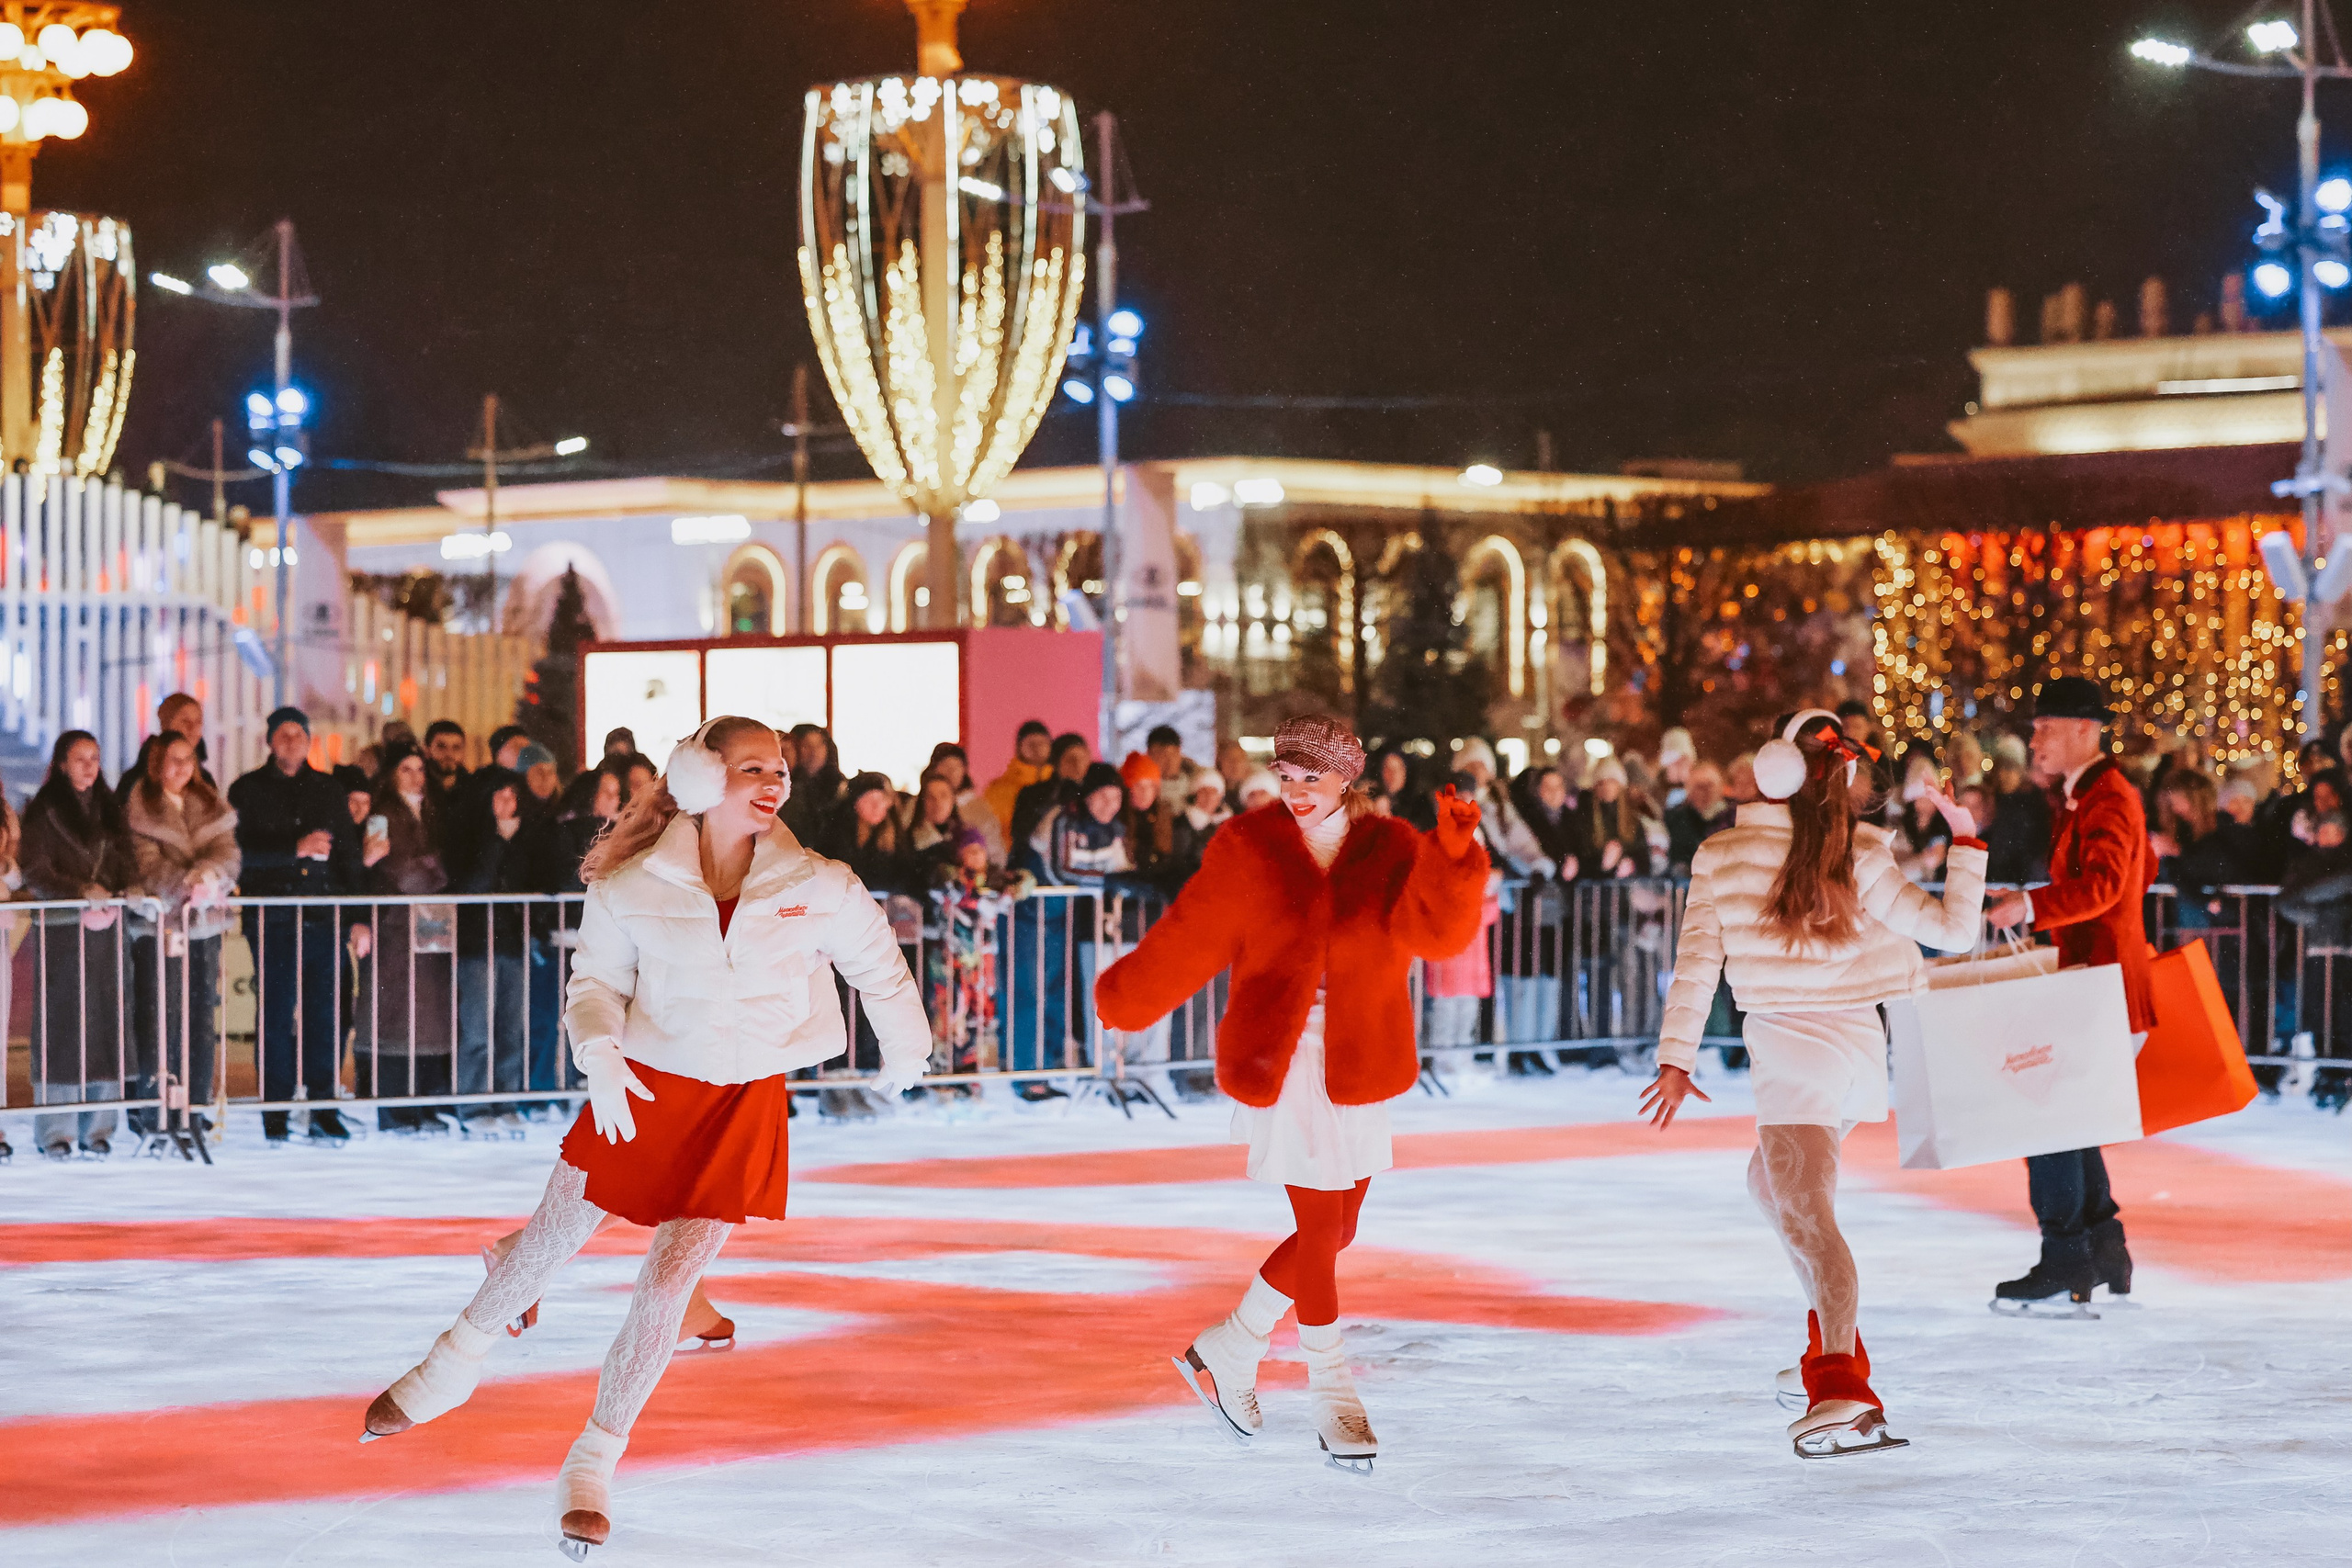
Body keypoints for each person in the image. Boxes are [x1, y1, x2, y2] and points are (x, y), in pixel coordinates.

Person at [361, 716, 931, 1556]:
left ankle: (594, 1457)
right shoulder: (634, 883)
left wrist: (907, 1042)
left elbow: (878, 966)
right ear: (700, 777)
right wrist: (597, 1052)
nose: (771, 782)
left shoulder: (818, 883)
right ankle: (452, 1363)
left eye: (777, 768)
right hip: (642, 1082)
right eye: (749, 768)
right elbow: (593, 983)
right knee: (550, 1242)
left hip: (740, 1103)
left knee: (667, 1285)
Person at [1097, 714, 1487, 1472]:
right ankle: (1331, 1388)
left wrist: (1454, 853)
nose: (1297, 791)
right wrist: (1128, 995)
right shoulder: (1252, 848)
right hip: (1289, 1062)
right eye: (1287, 776)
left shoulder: (1390, 848)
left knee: (1339, 1227)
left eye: (1312, 777)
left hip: (1362, 1058)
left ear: (1349, 777)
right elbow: (1192, 933)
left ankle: (1231, 1346)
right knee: (1318, 1231)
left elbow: (1438, 934)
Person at [1647, 708, 1985, 1459]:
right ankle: (1830, 1352)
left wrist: (1678, 1056)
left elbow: (1699, 961)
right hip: (1854, 1047)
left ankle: (1840, 1380)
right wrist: (1965, 838)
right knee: (1770, 1188)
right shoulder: (1857, 847)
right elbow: (1955, 931)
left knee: (1808, 1214)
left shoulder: (1726, 854)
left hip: (1796, 1053)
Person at [1984, 675, 2152, 1314]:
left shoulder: (2107, 798)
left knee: (2047, 1112)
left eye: (2044, 728)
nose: (2035, 740)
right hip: (2099, 986)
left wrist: (2028, 903)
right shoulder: (2094, 797)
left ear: (2086, 729)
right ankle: (2101, 1250)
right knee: (2070, 1121)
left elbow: (2106, 886)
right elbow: (2130, 881)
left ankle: (2068, 1257)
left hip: (2102, 991)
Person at [230, 706, 361, 1145]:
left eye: (299, 734)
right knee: (276, 1014)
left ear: (309, 741)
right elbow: (239, 856)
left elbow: (348, 856)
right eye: (283, 734)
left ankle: (324, 1106)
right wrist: (294, 849)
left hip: (323, 916)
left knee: (325, 1016)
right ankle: (275, 1109)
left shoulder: (328, 789)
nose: (291, 741)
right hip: (274, 917)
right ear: (269, 741)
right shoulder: (247, 790)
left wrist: (358, 916)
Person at [21, 731, 141, 1158]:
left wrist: (129, 887)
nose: (89, 766)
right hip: (63, 932)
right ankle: (56, 1132)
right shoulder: (43, 813)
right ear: (61, 763)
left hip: (107, 931)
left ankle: (100, 1128)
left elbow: (128, 860)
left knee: (107, 1022)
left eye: (94, 757)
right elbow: (35, 870)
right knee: (63, 1026)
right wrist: (78, 890)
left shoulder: (111, 810)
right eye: (79, 759)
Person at [124, 730, 240, 1147]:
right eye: (173, 760)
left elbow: (229, 851)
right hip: (160, 927)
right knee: (160, 1016)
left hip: (204, 925)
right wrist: (187, 882)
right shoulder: (139, 805)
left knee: (199, 1016)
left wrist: (210, 876)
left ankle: (195, 1105)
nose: (181, 769)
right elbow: (146, 863)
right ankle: (156, 1109)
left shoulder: (208, 801)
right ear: (156, 764)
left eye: (188, 760)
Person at [351, 745, 458, 1133]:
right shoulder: (382, 814)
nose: (415, 776)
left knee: (430, 1015)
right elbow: (393, 866)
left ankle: (426, 1102)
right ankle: (396, 1108)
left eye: (419, 769)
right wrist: (435, 870)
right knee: (394, 1017)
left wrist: (432, 869)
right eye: (406, 769)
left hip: (430, 923)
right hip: (395, 925)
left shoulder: (433, 811)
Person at [114, 692, 215, 807]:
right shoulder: (137, 781)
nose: (192, 729)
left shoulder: (205, 781)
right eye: (185, 722)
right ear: (166, 723)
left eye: (198, 722)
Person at [820, 771, 912, 892]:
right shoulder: (838, 831)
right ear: (855, 803)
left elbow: (903, 876)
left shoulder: (894, 834)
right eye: (869, 799)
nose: (876, 806)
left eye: (881, 800)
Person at [1011, 732, 1091, 863]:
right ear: (1057, 763)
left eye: (1083, 758)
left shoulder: (1095, 796)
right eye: (1070, 760)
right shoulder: (1033, 795)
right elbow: (1022, 839)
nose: (1078, 765)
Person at [1983, 734, 2051, 886]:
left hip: (2024, 881)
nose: (2003, 775)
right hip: (1995, 879)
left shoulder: (2033, 800)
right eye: (2000, 768)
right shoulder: (1992, 798)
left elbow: (2038, 844)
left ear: (2020, 770)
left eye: (2010, 768)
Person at [984, 720, 1056, 836]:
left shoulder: (1058, 785)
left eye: (1042, 743)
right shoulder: (999, 790)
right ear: (1019, 747)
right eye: (1031, 744)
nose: (1036, 749)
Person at [1664, 760, 1732, 873]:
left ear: (1721, 787)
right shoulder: (1674, 818)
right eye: (1699, 786)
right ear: (1689, 790)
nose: (1705, 791)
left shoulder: (1733, 817)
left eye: (1710, 785)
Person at [782, 723, 844, 840]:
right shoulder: (784, 787)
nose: (814, 752)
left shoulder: (840, 787)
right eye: (806, 745)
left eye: (819, 745)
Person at [424, 719, 471, 807]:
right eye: (441, 747)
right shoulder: (419, 787)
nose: (449, 754)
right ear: (427, 750)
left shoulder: (474, 789)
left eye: (456, 748)